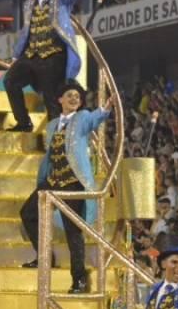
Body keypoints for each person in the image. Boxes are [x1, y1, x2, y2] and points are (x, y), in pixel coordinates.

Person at [19, 81, 112, 293]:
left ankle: (79, 279)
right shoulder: (52, 125)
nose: (74, 99)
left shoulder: (82, 118)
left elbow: (95, 119)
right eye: (69, 95)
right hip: (52, 180)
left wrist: (105, 109)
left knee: (73, 232)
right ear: (60, 99)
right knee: (28, 213)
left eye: (77, 96)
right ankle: (45, 256)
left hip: (73, 182)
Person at [4, 0, 93, 131]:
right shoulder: (29, 3)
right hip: (31, 55)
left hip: (54, 55)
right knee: (10, 81)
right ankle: (23, 122)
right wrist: (16, 55)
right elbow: (26, 31)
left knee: (50, 96)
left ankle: (56, 135)